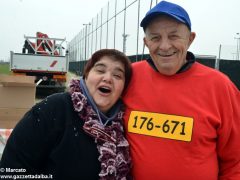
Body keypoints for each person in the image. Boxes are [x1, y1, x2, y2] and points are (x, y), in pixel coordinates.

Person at [123, 1, 240, 180]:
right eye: (155, 38)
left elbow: (235, 161)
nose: (164, 46)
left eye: (174, 36)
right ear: (146, 42)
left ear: (190, 39)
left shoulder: (220, 87)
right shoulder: (128, 77)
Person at [0, 49, 132, 179]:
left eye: (117, 75)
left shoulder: (123, 127)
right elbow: (12, 170)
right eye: (100, 70)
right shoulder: (53, 109)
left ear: (123, 89)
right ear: (86, 76)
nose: (108, 78)